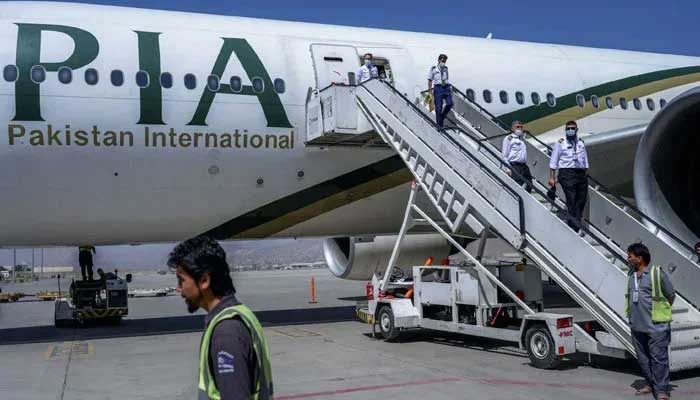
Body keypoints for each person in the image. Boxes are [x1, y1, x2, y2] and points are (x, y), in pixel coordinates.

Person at [168, 236, 273, 400]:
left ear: (204, 280)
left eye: (181, 280)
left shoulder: (227, 333)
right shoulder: (240, 313)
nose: (178, 289)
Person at [626, 243, 675, 400]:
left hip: (656, 327)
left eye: (630, 256)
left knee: (659, 359)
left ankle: (662, 391)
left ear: (640, 258)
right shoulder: (631, 275)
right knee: (643, 359)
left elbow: (671, 295)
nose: (628, 258)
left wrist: (660, 312)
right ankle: (650, 384)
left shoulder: (656, 274)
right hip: (637, 326)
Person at [548, 120, 589, 233]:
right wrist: (552, 177)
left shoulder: (580, 143)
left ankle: (576, 221)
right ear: (565, 130)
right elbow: (553, 162)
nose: (570, 130)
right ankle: (574, 226)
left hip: (580, 174)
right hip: (566, 174)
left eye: (572, 128)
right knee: (572, 199)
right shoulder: (560, 144)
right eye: (568, 129)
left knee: (581, 200)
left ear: (576, 130)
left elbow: (585, 160)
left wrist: (585, 173)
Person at [501, 121, 532, 193]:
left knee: (529, 186)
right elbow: (504, 155)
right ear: (512, 128)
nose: (520, 129)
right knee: (518, 186)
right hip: (515, 166)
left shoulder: (521, 139)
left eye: (521, 127)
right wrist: (507, 169)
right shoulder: (509, 138)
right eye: (517, 127)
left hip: (524, 166)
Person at [427, 54, 453, 127]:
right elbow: (429, 80)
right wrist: (430, 92)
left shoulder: (446, 68)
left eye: (444, 61)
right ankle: (439, 126)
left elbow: (446, 78)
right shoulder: (433, 69)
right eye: (442, 60)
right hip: (438, 88)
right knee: (438, 108)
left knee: (450, 103)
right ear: (438, 60)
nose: (443, 62)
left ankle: (441, 118)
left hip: (446, 88)